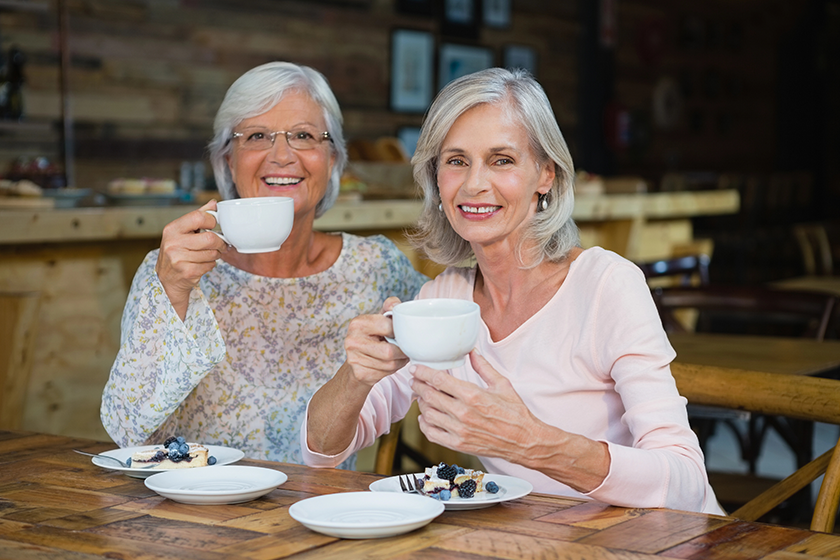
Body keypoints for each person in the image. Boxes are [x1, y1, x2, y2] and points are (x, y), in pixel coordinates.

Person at [302, 68, 724, 514]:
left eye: (501, 160)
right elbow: (322, 451)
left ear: (546, 174)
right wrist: (356, 375)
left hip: (663, 540)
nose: (473, 184)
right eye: (456, 161)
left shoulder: (606, 285)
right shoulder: (442, 304)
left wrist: (531, 442)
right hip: (543, 540)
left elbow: (685, 484)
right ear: (436, 178)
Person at [100, 62, 427, 466]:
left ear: (332, 159)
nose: (282, 155)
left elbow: (464, 325)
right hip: (193, 498)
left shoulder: (374, 266)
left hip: (322, 501)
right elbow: (126, 430)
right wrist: (172, 292)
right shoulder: (173, 270)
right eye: (257, 136)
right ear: (228, 161)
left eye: (303, 135)